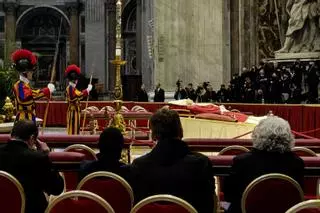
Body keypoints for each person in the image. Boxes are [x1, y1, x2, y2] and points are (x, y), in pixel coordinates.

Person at [129, 108, 215, 213]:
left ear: (153, 135)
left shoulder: (139, 166)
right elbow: (208, 207)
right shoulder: (201, 164)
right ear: (181, 131)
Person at [224, 116, 304, 213]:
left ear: (257, 135)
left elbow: (229, 196)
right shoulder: (297, 162)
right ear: (288, 136)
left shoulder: (242, 161)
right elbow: (298, 196)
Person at [0, 120, 64, 213]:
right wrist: (46, 154)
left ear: (11, 134)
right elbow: (57, 188)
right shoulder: (38, 158)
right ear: (32, 138)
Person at [12, 49, 55, 123]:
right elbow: (25, 98)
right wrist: (46, 91)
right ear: (25, 72)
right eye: (31, 71)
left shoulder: (25, 85)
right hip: (23, 121)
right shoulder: (19, 85)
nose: (32, 73)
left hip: (29, 118)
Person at [65, 64, 92, 135]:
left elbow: (78, 94)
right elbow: (76, 96)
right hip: (73, 111)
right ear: (75, 80)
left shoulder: (73, 88)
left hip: (76, 111)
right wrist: (87, 90)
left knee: (76, 128)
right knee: (73, 129)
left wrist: (87, 91)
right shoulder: (70, 88)